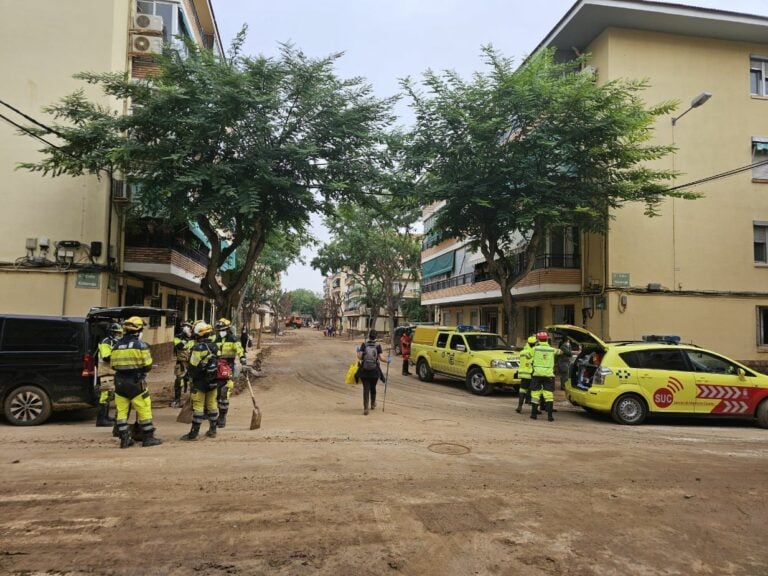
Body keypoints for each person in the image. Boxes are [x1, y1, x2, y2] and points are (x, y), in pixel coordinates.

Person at [110, 316, 162, 448]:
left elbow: (113, 366)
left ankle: (124, 439)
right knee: (144, 409)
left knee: (121, 412)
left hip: (120, 383)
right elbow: (148, 365)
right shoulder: (141, 346)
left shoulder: (116, 346)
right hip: (136, 383)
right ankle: (148, 438)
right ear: (138, 331)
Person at [183, 321, 220, 440]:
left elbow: (193, 366)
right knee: (212, 405)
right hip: (214, 380)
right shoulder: (215, 346)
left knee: (198, 406)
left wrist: (190, 377)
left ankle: (194, 433)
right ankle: (213, 430)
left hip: (200, 382)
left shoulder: (198, 348)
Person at [213, 318, 246, 428]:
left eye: (222, 329)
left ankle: (222, 417)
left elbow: (239, 350)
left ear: (227, 329)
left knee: (224, 392)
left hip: (228, 368)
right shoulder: (214, 338)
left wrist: (243, 360)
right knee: (215, 393)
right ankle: (211, 414)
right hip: (215, 368)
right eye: (219, 330)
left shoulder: (233, 339)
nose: (220, 332)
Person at [356, 329, 390, 415]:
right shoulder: (378, 346)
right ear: (376, 337)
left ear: (369, 336)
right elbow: (381, 358)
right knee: (373, 387)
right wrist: (388, 360)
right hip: (374, 371)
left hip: (364, 370)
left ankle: (365, 408)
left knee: (366, 389)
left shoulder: (364, 345)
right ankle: (373, 404)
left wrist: (357, 351)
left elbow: (360, 357)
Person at [95, 323, 122, 427]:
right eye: (117, 333)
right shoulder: (106, 342)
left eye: (120, 333)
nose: (119, 335)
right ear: (111, 332)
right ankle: (101, 419)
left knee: (109, 394)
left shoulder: (114, 342)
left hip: (111, 372)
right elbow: (106, 357)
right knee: (105, 395)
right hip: (105, 372)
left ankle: (106, 417)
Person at [530, 331, 557, 422]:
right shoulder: (552, 349)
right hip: (549, 375)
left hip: (537, 374)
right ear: (547, 339)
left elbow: (528, 355)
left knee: (535, 394)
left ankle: (534, 414)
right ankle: (550, 416)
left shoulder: (535, 349)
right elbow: (560, 352)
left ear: (538, 339)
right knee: (549, 395)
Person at [170, 321, 193, 408]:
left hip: (191, 363)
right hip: (181, 363)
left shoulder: (193, 338)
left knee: (193, 381)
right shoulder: (178, 337)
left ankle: (193, 400)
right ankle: (177, 399)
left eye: (189, 327)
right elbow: (178, 346)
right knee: (179, 380)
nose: (188, 329)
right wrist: (185, 339)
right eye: (186, 327)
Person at [515, 335, 537, 414]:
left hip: (523, 374)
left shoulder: (522, 352)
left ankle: (519, 406)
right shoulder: (534, 352)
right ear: (534, 344)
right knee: (534, 391)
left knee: (522, 390)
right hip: (531, 374)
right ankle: (534, 409)